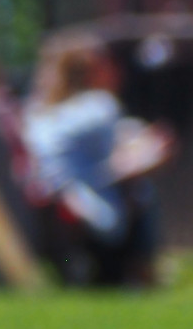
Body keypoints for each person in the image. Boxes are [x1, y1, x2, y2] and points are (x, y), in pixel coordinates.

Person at [23, 32, 173, 287]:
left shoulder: (37, 111)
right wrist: (155, 152)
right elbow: (120, 166)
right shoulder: (100, 104)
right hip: (86, 213)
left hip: (46, 208)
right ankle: (142, 276)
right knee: (142, 190)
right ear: (94, 71)